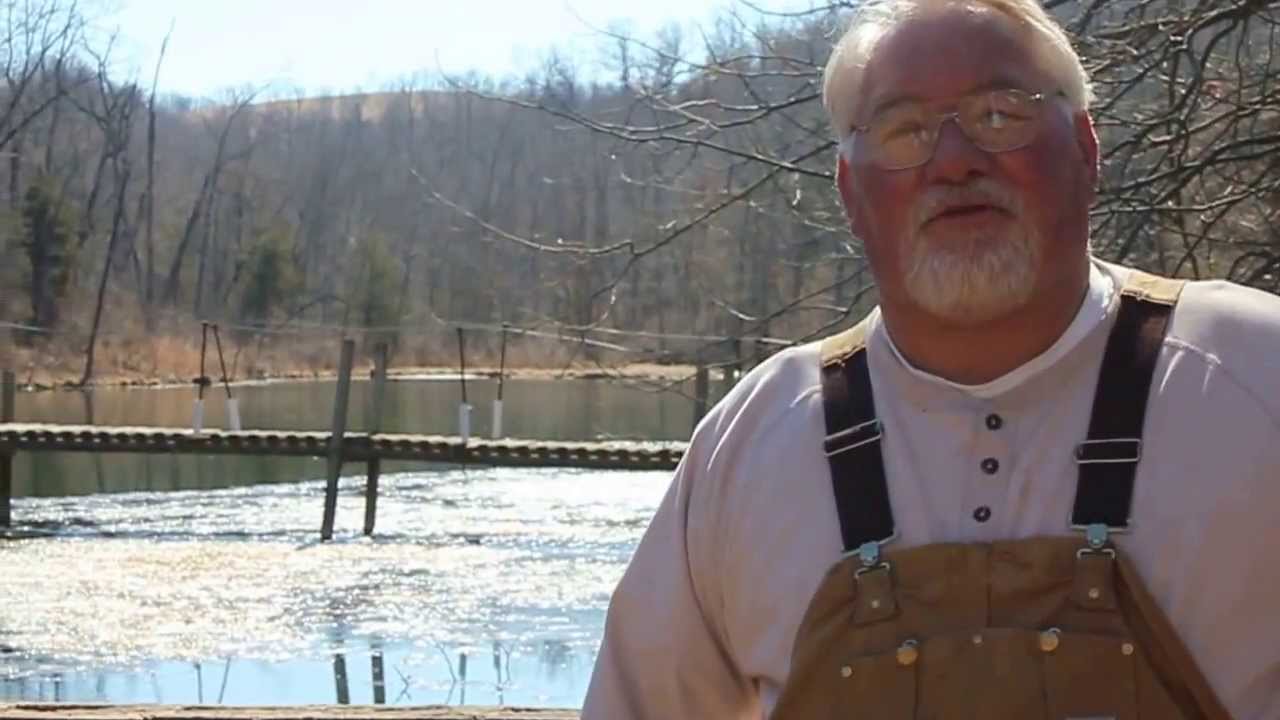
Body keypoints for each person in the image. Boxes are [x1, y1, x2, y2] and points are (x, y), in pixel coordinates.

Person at [581, 0, 1280, 718]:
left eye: (999, 115)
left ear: (1085, 147)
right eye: (903, 130)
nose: (953, 161)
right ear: (851, 192)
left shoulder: (1257, 375)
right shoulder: (755, 440)